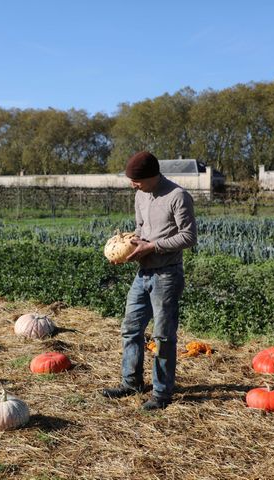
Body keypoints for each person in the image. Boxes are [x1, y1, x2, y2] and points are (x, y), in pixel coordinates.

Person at [101, 151, 197, 410]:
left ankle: (162, 393)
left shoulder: (178, 196)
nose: (133, 184)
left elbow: (189, 237)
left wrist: (153, 247)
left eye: (137, 180)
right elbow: (141, 230)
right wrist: (129, 251)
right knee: (130, 328)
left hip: (167, 275)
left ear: (152, 176)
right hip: (142, 274)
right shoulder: (140, 195)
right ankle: (131, 382)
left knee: (163, 336)